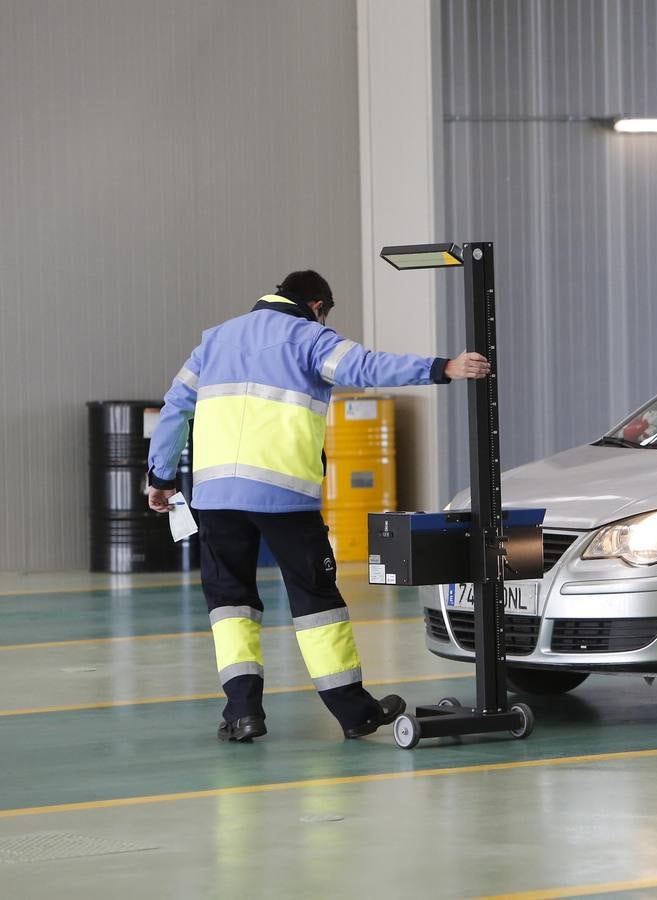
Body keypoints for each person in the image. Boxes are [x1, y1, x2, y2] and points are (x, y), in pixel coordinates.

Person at [145, 270, 489, 742]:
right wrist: (441, 368)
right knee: (316, 602)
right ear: (316, 306)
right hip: (283, 497)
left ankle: (243, 713)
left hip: (216, 497)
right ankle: (355, 713)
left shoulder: (215, 340)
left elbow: (174, 408)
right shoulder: (309, 336)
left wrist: (160, 478)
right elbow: (367, 368)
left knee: (229, 603)